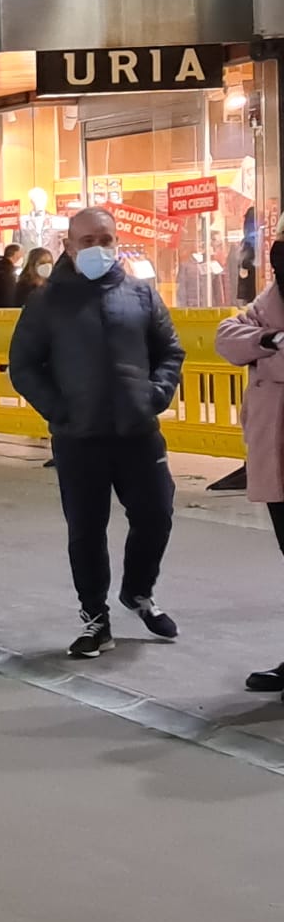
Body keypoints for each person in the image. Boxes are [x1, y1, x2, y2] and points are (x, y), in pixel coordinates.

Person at [8, 207, 184, 660]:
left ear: (116, 240)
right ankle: (95, 618)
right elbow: (24, 366)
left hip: (137, 432)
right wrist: (59, 410)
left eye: (105, 239)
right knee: (86, 531)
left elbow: (170, 351)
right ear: (68, 246)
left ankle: (138, 592)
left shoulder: (141, 296)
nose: (97, 248)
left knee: (156, 515)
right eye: (86, 241)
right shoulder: (46, 303)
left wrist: (155, 395)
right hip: (79, 438)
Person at [216, 241, 284, 693]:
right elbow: (227, 337)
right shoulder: (269, 302)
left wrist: (266, 351)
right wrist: (270, 341)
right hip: (277, 449)